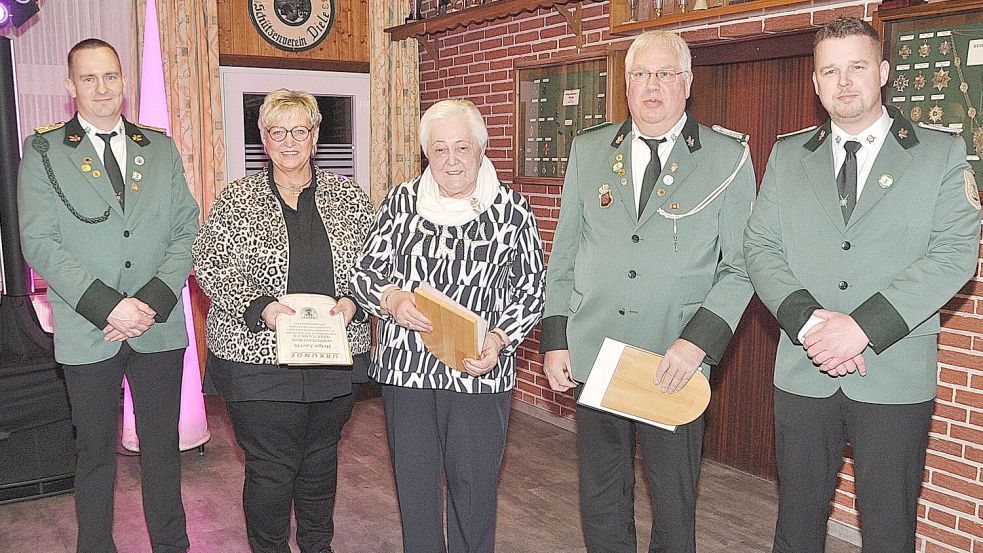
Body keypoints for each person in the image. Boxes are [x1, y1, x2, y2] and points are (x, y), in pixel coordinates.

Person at [743, 17, 981, 553]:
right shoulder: (788, 155)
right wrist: (810, 323)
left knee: (889, 526)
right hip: (805, 370)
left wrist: (862, 329)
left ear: (884, 72)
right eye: (830, 70)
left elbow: (954, 257)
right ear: (815, 83)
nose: (844, 81)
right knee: (797, 521)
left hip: (894, 373)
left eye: (857, 66)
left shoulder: (939, 154)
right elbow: (759, 247)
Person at [540, 30, 756, 552]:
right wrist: (555, 338)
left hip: (673, 361)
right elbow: (565, 251)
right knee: (602, 497)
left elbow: (743, 267)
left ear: (687, 83)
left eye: (664, 74)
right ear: (626, 84)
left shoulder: (727, 157)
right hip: (599, 353)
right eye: (640, 75)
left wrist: (697, 342)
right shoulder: (590, 151)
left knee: (674, 504)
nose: (652, 86)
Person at [17, 38, 198, 553]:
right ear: (71, 87)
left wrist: (152, 301)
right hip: (87, 328)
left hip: (157, 326)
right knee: (94, 456)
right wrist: (108, 306)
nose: (103, 89)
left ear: (124, 82)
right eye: (90, 78)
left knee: (163, 451)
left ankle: (172, 545)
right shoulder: (46, 150)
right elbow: (40, 242)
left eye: (112, 77)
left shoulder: (159, 148)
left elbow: (187, 227)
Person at [350, 99, 545, 553]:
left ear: (480, 149)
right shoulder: (401, 202)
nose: (452, 160)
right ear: (427, 155)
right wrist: (392, 298)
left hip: (480, 371)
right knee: (415, 490)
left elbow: (532, 289)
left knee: (474, 493)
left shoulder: (512, 210)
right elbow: (363, 273)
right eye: (440, 150)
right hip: (407, 373)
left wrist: (499, 339)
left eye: (462, 147)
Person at [192, 89, 374, 553]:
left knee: (319, 464)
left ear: (315, 137)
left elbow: (378, 262)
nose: (289, 141)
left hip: (334, 358)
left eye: (300, 130)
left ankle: (318, 546)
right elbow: (209, 263)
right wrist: (262, 307)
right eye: (278, 131)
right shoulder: (238, 198)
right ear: (264, 139)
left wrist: (355, 299)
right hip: (258, 363)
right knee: (271, 469)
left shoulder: (349, 195)